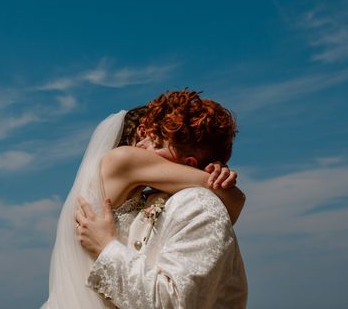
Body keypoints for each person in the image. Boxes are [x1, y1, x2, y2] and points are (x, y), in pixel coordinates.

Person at [40, 90, 246, 309]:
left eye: (156, 144)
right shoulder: (124, 161)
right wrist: (214, 180)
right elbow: (235, 200)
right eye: (145, 136)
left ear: (189, 161)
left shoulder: (192, 203)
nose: (141, 147)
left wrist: (105, 247)